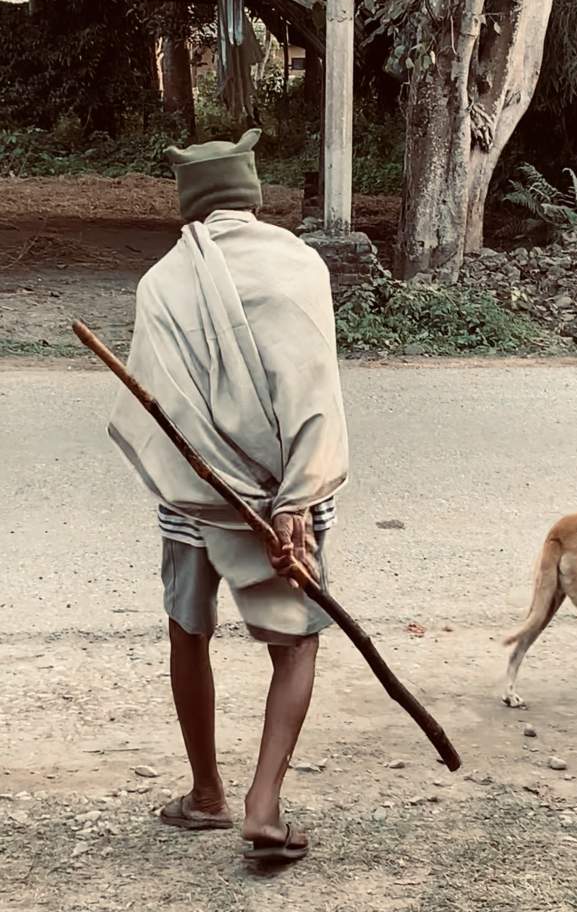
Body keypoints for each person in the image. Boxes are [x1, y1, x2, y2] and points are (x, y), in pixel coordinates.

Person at [108, 129, 349, 863]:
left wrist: (209, 479)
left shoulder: (161, 282)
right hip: (285, 496)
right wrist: (293, 501)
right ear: (251, 196)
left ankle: (206, 794)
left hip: (194, 495)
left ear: (190, 205)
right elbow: (313, 388)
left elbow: (160, 405)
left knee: (188, 629)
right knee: (295, 643)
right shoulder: (298, 264)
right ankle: (263, 805)